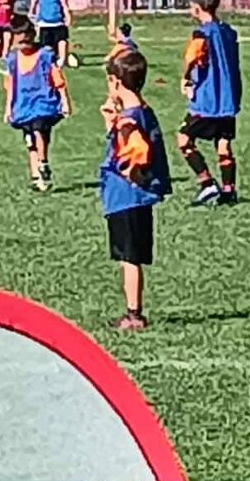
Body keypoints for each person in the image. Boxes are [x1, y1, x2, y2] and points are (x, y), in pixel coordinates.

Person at [99, 48, 170, 331]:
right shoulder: (142, 112)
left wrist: (131, 172)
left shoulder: (129, 121)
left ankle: (134, 314)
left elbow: (137, 151)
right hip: (133, 199)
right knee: (129, 256)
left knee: (129, 258)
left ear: (116, 82)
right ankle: (133, 311)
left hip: (127, 197)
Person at [177, 0, 242, 206]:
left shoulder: (201, 34)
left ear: (197, 8)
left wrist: (186, 78)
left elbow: (192, 57)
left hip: (207, 100)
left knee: (184, 139)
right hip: (228, 99)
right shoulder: (228, 32)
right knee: (223, 144)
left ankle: (207, 183)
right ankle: (229, 191)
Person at [3, 15, 72, 192]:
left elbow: (57, 79)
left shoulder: (44, 55)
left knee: (39, 129)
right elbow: (11, 85)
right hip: (23, 105)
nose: (25, 45)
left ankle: (43, 163)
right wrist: (8, 108)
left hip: (43, 103)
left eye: (27, 40)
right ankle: (37, 177)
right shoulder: (13, 60)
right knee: (30, 140)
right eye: (20, 42)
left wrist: (65, 101)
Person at [30, 0, 77, 68]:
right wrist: (32, 10)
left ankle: (62, 59)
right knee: (46, 44)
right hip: (44, 19)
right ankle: (50, 61)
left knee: (62, 39)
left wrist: (67, 15)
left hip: (57, 18)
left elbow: (63, 2)